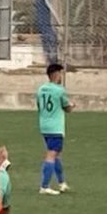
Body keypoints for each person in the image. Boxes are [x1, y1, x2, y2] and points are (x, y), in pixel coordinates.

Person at [36, 62, 72, 195]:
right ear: (56, 74)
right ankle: (44, 186)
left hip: (44, 125)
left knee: (55, 154)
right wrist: (72, 106)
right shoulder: (59, 90)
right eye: (60, 73)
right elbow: (67, 108)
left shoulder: (41, 89)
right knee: (52, 154)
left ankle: (62, 183)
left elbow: (39, 106)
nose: (61, 76)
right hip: (55, 127)